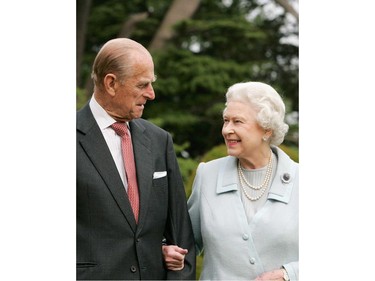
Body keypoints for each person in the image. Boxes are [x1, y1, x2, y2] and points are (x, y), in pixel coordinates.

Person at [76, 38, 196, 280]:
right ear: (111, 83)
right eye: (142, 85)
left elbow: (182, 238)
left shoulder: (160, 141)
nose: (151, 94)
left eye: (151, 84)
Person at [164, 81, 299, 280]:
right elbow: (185, 242)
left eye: (237, 122)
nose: (227, 130)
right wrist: (168, 250)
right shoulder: (207, 175)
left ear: (267, 130)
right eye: (226, 120)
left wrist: (290, 274)